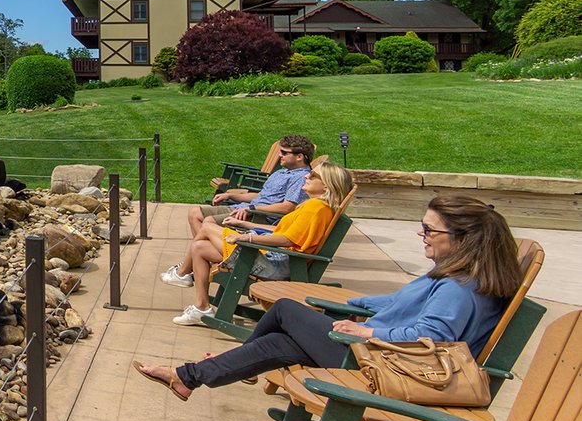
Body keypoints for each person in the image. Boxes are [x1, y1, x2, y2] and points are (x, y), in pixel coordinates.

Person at [135, 195, 521, 400]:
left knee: (286, 310)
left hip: (383, 369)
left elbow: (430, 336)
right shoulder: (458, 276)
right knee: (279, 341)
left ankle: (203, 372)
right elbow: (402, 305)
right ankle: (189, 377)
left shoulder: (459, 289)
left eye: (429, 231)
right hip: (377, 357)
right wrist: (356, 306)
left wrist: (367, 334)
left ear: (464, 240)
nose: (422, 236)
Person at [167, 163, 354, 326]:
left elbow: (286, 240)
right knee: (199, 248)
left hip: (276, 264)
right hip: (274, 257)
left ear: (327, 185)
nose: (306, 175)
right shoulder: (314, 205)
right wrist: (246, 225)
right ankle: (201, 307)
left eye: (313, 175)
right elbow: (282, 232)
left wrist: (247, 238)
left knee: (207, 228)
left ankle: (183, 273)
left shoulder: (316, 209)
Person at [167, 134, 314, 285]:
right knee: (195, 213)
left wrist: (253, 208)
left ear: (299, 157)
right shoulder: (281, 172)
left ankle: (191, 267)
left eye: (284, 152)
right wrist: (231, 196)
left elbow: (288, 207)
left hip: (258, 216)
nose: (279, 155)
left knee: (208, 222)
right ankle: (203, 261)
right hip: (244, 208)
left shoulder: (300, 178)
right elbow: (262, 195)